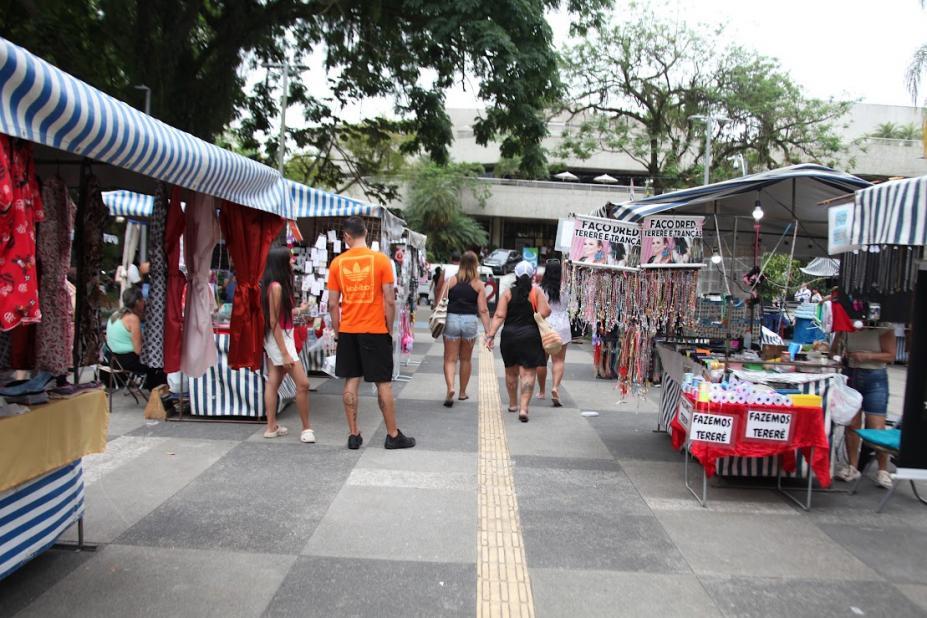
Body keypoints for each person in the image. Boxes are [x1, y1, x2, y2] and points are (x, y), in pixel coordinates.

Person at [327, 216, 415, 450]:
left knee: (351, 381)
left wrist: (338, 332)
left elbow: (333, 304)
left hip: (348, 330)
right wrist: (388, 328)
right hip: (375, 329)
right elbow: (389, 300)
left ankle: (354, 434)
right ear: (366, 232)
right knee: (383, 383)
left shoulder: (337, 264)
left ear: (346, 236)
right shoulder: (381, 261)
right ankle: (392, 434)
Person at [486, 261, 551, 422]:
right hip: (530, 337)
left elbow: (499, 316)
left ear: (515, 275)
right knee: (528, 373)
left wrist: (490, 335)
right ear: (532, 276)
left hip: (509, 337)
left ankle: (513, 404)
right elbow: (546, 311)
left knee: (511, 372)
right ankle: (523, 408)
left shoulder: (507, 293)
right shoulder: (536, 292)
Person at [260, 247, 314, 442]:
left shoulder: (275, 285)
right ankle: (306, 428)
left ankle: (271, 426)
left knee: (273, 381)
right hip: (280, 339)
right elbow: (275, 322)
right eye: (289, 260)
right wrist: (284, 353)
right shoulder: (276, 287)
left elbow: (278, 317)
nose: (293, 262)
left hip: (278, 337)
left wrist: (299, 310)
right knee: (303, 383)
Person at [835, 325, 896, 488]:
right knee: (852, 424)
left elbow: (891, 355)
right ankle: (853, 466)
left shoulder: (884, 326)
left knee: (877, 426)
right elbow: (835, 349)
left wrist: (867, 356)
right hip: (851, 373)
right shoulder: (846, 325)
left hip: (875, 377)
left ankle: (883, 470)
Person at [439, 251, 491, 406]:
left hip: (452, 320)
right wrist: (489, 332)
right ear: (476, 265)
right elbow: (483, 310)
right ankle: (462, 392)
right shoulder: (479, 284)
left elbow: (441, 302)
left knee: (450, 358)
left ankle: (450, 387)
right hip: (469, 321)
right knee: (466, 359)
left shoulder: (451, 281)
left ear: (460, 264)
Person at [105, 286, 164, 390]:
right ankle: (156, 393)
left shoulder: (115, 315)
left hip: (111, 358)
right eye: (142, 300)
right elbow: (138, 350)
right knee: (156, 364)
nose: (144, 302)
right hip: (126, 360)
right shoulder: (133, 319)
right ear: (137, 302)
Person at [535, 259, 570, 407]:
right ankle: (555, 387)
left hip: (545, 325)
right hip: (562, 324)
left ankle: (542, 391)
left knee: (542, 360)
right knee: (559, 360)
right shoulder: (566, 288)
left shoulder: (540, 288)